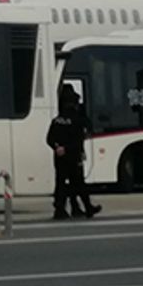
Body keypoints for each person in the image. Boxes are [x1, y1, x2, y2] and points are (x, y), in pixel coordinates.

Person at [46, 87, 101, 220]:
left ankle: (60, 209)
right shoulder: (77, 120)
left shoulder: (57, 120)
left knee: (60, 183)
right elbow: (78, 140)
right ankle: (87, 207)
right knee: (79, 183)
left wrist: (57, 147)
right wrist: (67, 149)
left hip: (59, 157)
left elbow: (49, 138)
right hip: (73, 156)